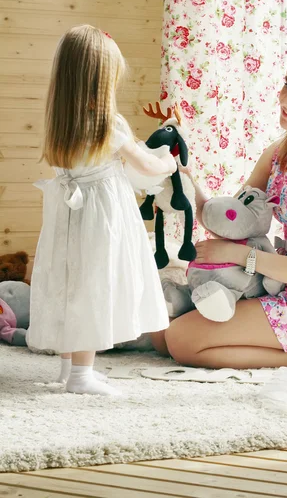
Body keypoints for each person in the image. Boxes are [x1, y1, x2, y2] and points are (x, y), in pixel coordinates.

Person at [152, 45, 287, 369]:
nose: (284, 100)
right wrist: (182, 178)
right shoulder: (280, 153)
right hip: (273, 281)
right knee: (162, 334)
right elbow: (231, 220)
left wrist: (240, 256)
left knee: (181, 341)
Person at [29, 24, 176, 394]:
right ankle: (81, 376)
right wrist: (170, 164)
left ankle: (68, 369)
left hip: (67, 215)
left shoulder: (59, 121)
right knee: (95, 285)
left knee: (69, 284)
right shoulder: (108, 123)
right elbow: (145, 164)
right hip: (101, 217)